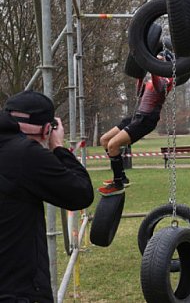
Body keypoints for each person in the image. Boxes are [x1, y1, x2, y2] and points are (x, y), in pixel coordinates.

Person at [0, 90, 94, 302]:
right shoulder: (25, 154)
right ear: (46, 130)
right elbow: (81, 193)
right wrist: (58, 147)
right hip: (17, 289)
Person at [98, 50, 174, 196]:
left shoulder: (168, 80)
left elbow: (159, 87)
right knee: (105, 140)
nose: (156, 62)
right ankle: (121, 176)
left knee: (113, 145)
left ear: (166, 63)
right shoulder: (153, 79)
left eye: (159, 60)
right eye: (155, 60)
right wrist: (140, 75)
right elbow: (139, 92)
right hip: (136, 115)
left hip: (147, 119)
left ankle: (118, 183)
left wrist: (151, 67)